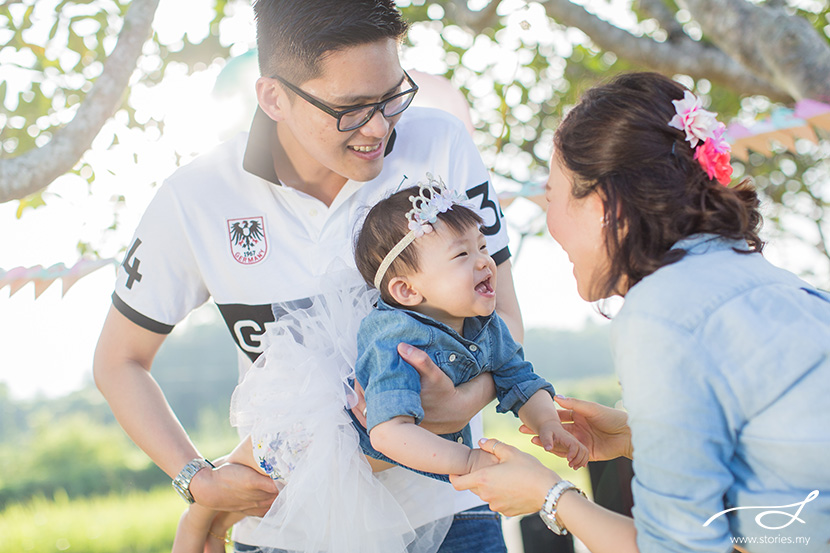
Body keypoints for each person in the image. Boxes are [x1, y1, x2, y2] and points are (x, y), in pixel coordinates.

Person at [93, 1, 524, 551]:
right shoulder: (195, 197)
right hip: (283, 530)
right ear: (273, 97)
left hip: (450, 512)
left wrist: (467, 400)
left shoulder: (439, 143)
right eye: (351, 109)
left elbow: (504, 317)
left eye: (393, 96)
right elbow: (118, 360)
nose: (380, 127)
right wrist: (196, 482)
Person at [450, 71, 830, 553]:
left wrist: (549, 494)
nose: (549, 222)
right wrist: (636, 436)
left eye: (553, 196)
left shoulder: (661, 316)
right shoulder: (755, 274)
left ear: (604, 205)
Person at [352, 178, 589, 482]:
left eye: (482, 246)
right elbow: (388, 434)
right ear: (407, 290)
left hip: (438, 475)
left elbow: (519, 378)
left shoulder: (485, 325)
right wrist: (468, 461)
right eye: (461, 255)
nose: (484, 262)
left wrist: (549, 423)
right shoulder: (393, 339)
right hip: (373, 478)